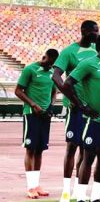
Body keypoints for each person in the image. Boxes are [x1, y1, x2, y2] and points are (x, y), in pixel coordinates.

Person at [62, 34, 100, 202]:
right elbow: (67, 84)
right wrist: (81, 106)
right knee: (88, 158)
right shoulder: (88, 64)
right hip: (93, 122)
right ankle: (80, 197)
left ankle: (95, 197)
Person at [52, 20, 99, 202]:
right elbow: (56, 75)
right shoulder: (69, 52)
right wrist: (70, 95)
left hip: (92, 108)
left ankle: (79, 192)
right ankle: (65, 190)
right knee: (72, 147)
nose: (96, 33)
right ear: (84, 31)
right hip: (75, 107)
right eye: (93, 31)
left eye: (97, 30)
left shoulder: (97, 50)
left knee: (86, 149)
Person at [15, 49, 59, 199]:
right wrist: (33, 105)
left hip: (45, 115)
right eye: (49, 63)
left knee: (40, 149)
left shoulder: (52, 72)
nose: (50, 66)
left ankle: (37, 184)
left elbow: (54, 92)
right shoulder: (30, 69)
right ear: (44, 57)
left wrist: (51, 107)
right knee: (30, 148)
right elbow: (18, 91)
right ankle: (30, 187)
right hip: (31, 114)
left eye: (53, 64)